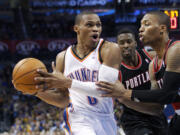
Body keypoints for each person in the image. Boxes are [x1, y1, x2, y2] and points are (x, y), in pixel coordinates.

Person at [34, 11, 121, 135]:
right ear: (77, 28)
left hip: (106, 118)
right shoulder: (63, 57)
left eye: (98, 25)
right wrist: (36, 91)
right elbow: (63, 99)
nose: (95, 29)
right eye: (89, 25)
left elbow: (104, 90)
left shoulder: (110, 49)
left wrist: (67, 82)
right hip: (79, 117)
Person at [96, 11, 180, 134]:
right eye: (141, 25)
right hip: (138, 119)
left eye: (146, 24)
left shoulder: (175, 50)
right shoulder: (153, 66)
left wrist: (125, 93)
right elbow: (158, 105)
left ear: (162, 29)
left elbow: (167, 95)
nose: (141, 29)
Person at [115, 28, 168, 135]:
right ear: (117, 46)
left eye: (129, 41)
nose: (126, 45)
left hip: (157, 116)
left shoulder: (150, 56)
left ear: (135, 43)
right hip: (134, 118)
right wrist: (153, 109)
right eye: (122, 43)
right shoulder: (116, 71)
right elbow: (125, 100)